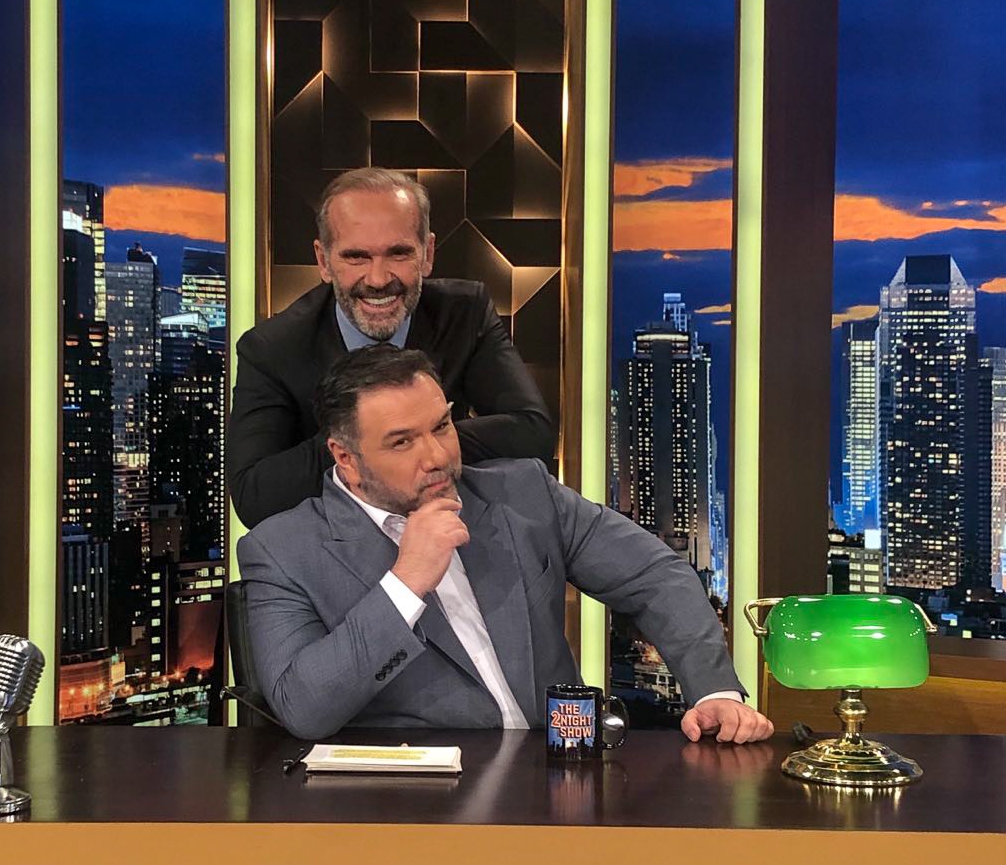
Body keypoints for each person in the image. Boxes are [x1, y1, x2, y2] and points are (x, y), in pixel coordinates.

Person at [238, 344, 774, 745]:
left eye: (441, 426)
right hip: (415, 813)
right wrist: (405, 584)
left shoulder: (525, 494)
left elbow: (656, 576)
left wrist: (715, 693)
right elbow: (304, 708)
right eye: (402, 442)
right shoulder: (283, 550)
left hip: (561, 778)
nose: (437, 457)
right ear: (346, 458)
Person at [227, 166, 554, 527]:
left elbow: (531, 433)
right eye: (356, 257)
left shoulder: (464, 313)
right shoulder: (272, 348)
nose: (378, 279)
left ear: (427, 254)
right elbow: (254, 495)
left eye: (398, 253)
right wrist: (371, 443)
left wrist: (412, 444)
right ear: (324, 261)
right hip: (337, 542)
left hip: (449, 527)